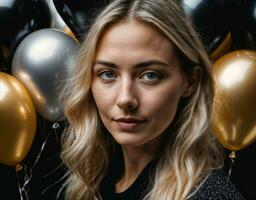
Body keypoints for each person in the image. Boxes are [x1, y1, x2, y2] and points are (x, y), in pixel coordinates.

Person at [59, 0, 245, 199]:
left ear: (190, 81)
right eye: (108, 74)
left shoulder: (211, 195)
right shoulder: (94, 182)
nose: (125, 99)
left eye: (150, 75)